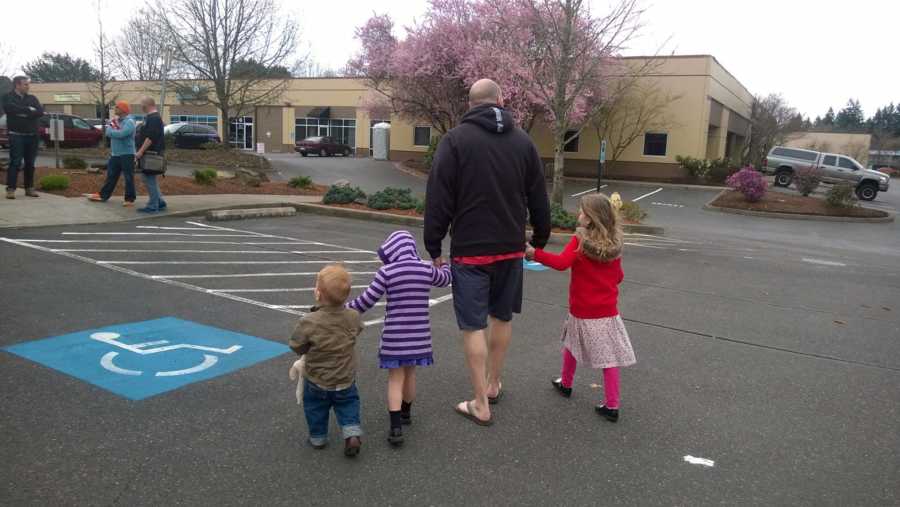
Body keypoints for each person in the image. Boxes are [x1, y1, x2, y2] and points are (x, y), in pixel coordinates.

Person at [424, 78, 551, 426]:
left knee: (472, 326)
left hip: (471, 251)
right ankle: (494, 383)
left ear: (471, 104)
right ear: (501, 99)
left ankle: (481, 402)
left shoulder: (455, 141)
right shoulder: (523, 142)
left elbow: (439, 196)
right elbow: (539, 195)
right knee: (502, 316)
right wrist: (539, 240)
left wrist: (433, 244)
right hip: (510, 248)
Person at [525, 193, 637, 423]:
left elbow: (561, 263)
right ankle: (607, 402)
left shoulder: (580, 241)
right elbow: (619, 277)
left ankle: (570, 385)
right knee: (607, 357)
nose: (579, 214)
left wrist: (535, 253)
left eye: (583, 211)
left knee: (572, 343)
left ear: (591, 218)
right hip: (607, 311)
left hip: (581, 308)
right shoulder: (614, 245)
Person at [347, 230, 452, 446]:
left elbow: (365, 302)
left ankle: (395, 428)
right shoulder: (425, 269)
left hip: (394, 338)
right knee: (410, 375)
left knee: (395, 379)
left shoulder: (387, 272)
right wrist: (445, 264)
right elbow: (446, 279)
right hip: (420, 337)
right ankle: (406, 414)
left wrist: (340, 308)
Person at [289, 264, 365, 457]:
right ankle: (352, 433)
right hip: (345, 378)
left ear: (318, 294)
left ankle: (318, 437)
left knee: (315, 407)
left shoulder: (309, 321)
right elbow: (358, 330)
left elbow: (296, 345)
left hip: (317, 379)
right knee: (348, 405)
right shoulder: (353, 316)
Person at [87, 101, 136, 206]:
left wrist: (114, 133)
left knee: (128, 177)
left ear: (123, 109)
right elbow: (108, 132)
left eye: (117, 107)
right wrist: (115, 133)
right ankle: (103, 195)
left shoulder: (130, 122)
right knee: (111, 176)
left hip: (127, 154)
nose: (115, 109)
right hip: (115, 154)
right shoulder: (114, 121)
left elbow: (123, 134)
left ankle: (129, 199)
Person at [2, 76, 44, 199]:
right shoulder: (7, 97)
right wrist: (28, 110)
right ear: (17, 85)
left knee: (30, 163)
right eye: (25, 84)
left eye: (28, 84)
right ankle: (11, 189)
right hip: (16, 135)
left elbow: (40, 112)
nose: (28, 86)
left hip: (32, 135)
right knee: (15, 162)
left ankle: (29, 188)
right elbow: (10, 109)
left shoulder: (32, 98)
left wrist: (22, 113)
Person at [134, 97, 167, 213]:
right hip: (151, 153)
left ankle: (153, 205)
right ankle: (159, 201)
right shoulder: (151, 118)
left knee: (148, 178)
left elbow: (150, 138)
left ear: (147, 105)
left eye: (142, 104)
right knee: (149, 178)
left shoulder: (153, 119)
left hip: (151, 154)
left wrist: (140, 151)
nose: (141, 107)